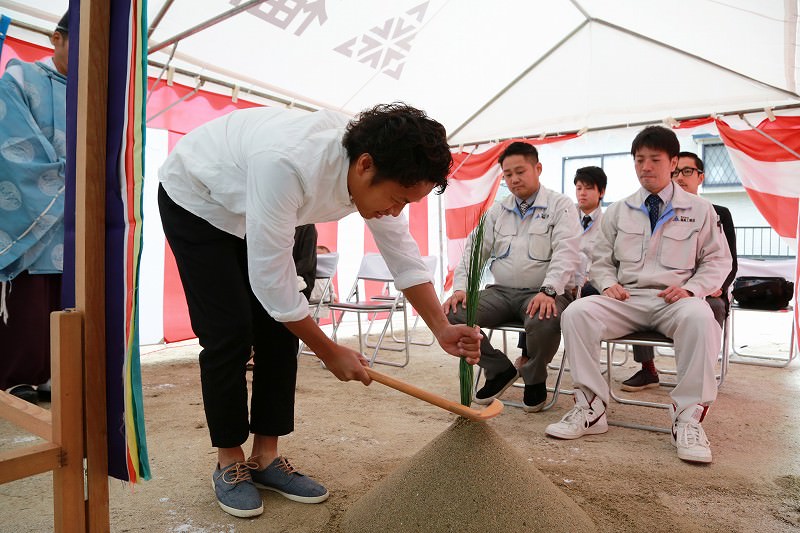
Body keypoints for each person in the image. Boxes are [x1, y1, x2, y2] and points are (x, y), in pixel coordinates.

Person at [158, 102, 481, 518]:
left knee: (280, 334)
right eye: (398, 200)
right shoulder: (287, 162)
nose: (396, 212)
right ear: (365, 165)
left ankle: (267, 458)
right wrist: (330, 351)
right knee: (230, 332)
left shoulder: (379, 167)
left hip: (282, 209)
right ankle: (229, 461)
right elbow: (272, 285)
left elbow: (401, 254)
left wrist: (440, 327)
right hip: (200, 200)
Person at [545, 126, 732, 464]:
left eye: (654, 160)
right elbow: (600, 258)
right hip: (626, 300)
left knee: (703, 317)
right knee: (577, 313)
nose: (645, 167)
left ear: (673, 162)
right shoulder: (619, 210)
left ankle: (687, 418)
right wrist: (606, 284)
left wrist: (692, 289)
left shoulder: (701, 210)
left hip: (674, 301)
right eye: (639, 160)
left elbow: (718, 260)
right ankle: (591, 408)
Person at [442, 142, 581, 413]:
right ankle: (499, 369)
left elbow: (567, 252)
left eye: (520, 171)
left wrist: (550, 290)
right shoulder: (497, 211)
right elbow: (474, 252)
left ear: (537, 168)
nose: (514, 179)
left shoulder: (560, 206)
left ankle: (534, 377)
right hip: (502, 292)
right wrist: (460, 288)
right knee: (453, 313)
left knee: (545, 315)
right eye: (508, 174)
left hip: (543, 291)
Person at [621, 152, 738, 392]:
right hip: (665, 289)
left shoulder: (718, 212)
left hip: (707, 288)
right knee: (639, 295)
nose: (680, 177)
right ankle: (648, 368)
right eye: (676, 172)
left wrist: (715, 287)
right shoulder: (655, 209)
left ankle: (698, 373)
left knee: (711, 307)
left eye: (688, 172)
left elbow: (729, 262)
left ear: (700, 177)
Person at [0, 11, 69, 404]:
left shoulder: (94, 89)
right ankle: (18, 375)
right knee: (30, 295)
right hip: (32, 205)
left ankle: (55, 372)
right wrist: (62, 178)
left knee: (68, 294)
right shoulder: (20, 78)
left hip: (74, 212)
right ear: (55, 38)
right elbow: (11, 142)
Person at [515, 165, 607, 367]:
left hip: (592, 282)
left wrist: (585, 280)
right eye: (579, 188)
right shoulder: (564, 213)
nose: (582, 193)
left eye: (588, 188)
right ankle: (528, 354)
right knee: (538, 293)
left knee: (594, 292)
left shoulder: (608, 222)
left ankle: (585, 360)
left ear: (601, 192)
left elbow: (607, 260)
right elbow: (556, 253)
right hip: (563, 281)